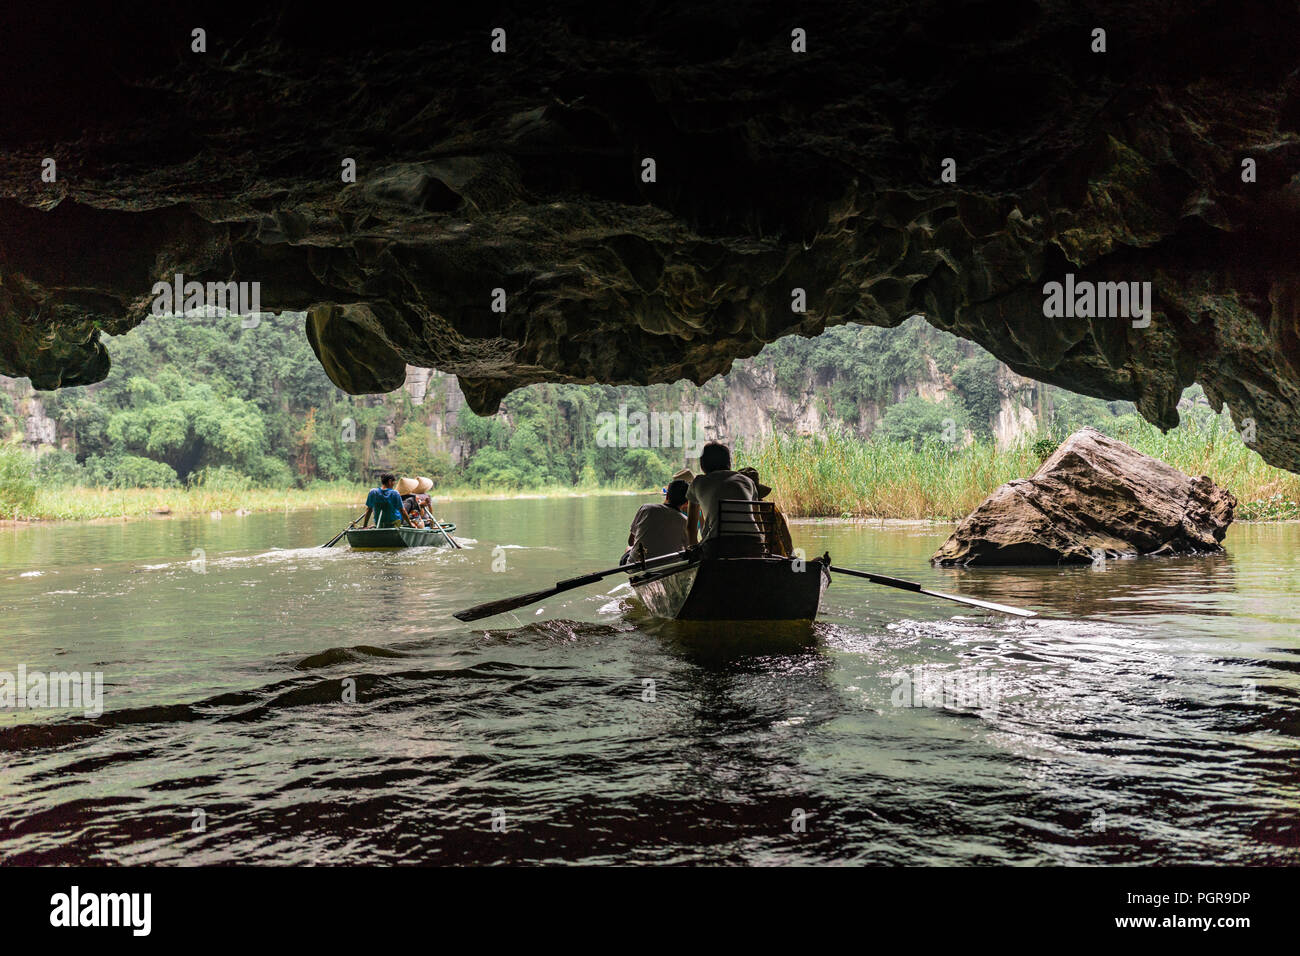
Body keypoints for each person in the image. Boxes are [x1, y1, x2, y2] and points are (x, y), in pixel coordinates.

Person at [686, 441, 759, 547]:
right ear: (728, 462)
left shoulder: (698, 482)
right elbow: (757, 518)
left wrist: (693, 551)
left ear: (703, 464)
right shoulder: (747, 481)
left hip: (718, 545)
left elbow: (691, 528)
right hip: (754, 544)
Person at [621, 479, 690, 565]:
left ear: (667, 495)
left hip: (636, 568)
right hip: (666, 570)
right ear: (687, 503)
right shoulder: (685, 521)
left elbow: (631, 541)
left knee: (628, 548)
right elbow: (689, 548)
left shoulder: (646, 508)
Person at [738, 466, 793, 557]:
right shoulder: (769, 508)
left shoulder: (736, 508)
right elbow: (785, 538)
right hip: (771, 557)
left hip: (741, 555)